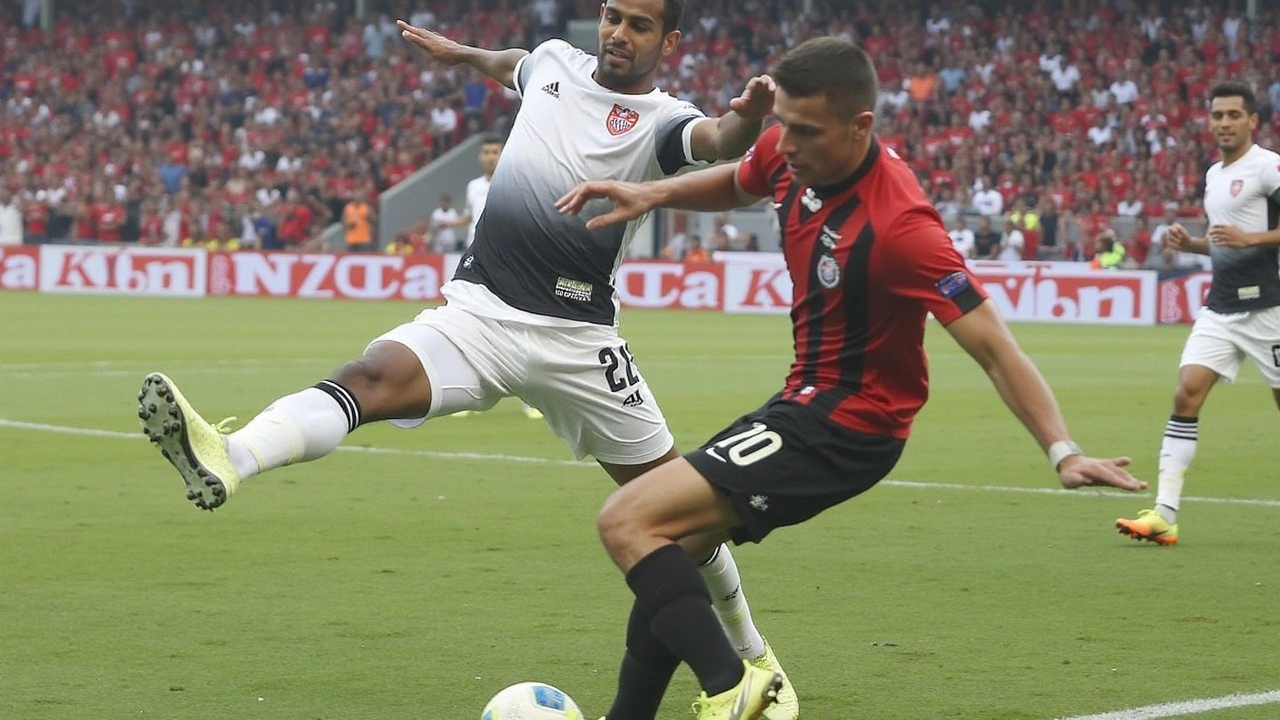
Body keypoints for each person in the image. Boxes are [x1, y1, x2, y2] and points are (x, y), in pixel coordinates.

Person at [135, 2, 799, 719]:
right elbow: (508, 61)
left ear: (667, 42)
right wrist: (461, 55)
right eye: (611, 15)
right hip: (479, 313)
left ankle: (757, 661)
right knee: (370, 377)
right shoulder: (549, 62)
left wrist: (750, 117)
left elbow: (718, 137)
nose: (618, 32)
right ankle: (232, 456)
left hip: (578, 341)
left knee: (680, 515)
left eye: (639, 24)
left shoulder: (665, 119)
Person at [556, 37, 1146, 720]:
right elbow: (741, 178)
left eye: (805, 131)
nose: (789, 145)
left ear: (860, 125)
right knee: (673, 552)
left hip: (850, 423)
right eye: (783, 125)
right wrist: (651, 192)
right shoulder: (787, 146)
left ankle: (733, 685)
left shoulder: (901, 228)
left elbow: (995, 348)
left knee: (626, 521)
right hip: (805, 401)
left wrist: (1062, 449)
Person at [1116, 82, 1280, 546]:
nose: (1224, 123)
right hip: (1222, 307)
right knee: (1186, 394)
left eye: (1233, 115)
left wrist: (1252, 240)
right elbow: (1225, 238)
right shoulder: (1213, 174)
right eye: (1217, 115)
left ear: (1252, 121)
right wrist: (1191, 244)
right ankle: (1164, 514)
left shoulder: (1268, 167)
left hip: (1269, 307)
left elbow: (1246, 238)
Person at [453, 133, 546, 420]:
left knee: (522, 325)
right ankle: (463, 396)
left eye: (496, 151)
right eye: (487, 152)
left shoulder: (518, 180)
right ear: (480, 156)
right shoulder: (473, 187)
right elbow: (471, 218)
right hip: (475, 261)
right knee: (465, 326)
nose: (491, 156)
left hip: (510, 260)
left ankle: (533, 398)